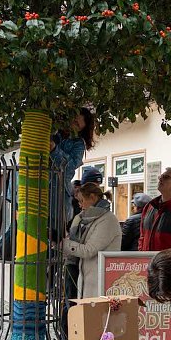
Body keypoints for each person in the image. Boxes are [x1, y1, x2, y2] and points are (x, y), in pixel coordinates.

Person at [62, 182, 121, 298]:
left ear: (93, 198)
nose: (80, 205)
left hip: (99, 279)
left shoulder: (107, 220)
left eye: (82, 201)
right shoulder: (84, 219)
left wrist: (63, 243)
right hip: (85, 276)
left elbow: (88, 250)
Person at [50, 107, 96, 238]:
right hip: (39, 186)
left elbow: (69, 166)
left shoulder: (78, 144)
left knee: (54, 232)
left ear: (83, 128)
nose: (72, 124)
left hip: (57, 193)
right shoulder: (54, 132)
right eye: (72, 120)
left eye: (77, 124)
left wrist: (54, 150)